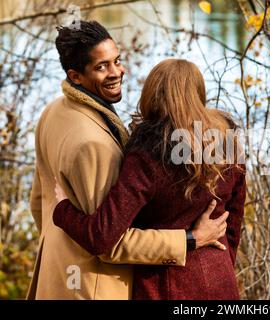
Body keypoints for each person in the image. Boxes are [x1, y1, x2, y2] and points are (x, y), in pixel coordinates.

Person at [28, 21, 228, 300]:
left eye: (117, 61)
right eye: (101, 67)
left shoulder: (54, 111)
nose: (117, 72)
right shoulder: (94, 145)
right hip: (94, 288)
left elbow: (38, 201)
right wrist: (190, 239)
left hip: (57, 277)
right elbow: (109, 242)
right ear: (75, 76)